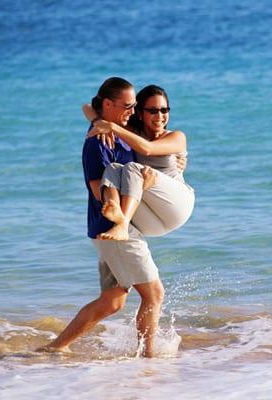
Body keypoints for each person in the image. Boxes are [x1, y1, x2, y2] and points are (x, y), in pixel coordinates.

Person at [39, 77, 165, 357]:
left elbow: (88, 106)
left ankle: (54, 347)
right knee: (154, 294)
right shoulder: (97, 142)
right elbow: (99, 191)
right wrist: (137, 191)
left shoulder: (119, 130)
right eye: (127, 106)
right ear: (107, 104)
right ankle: (149, 358)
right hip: (114, 228)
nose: (133, 111)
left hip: (107, 230)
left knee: (112, 301)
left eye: (135, 106)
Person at [83, 84, 195, 241]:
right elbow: (87, 107)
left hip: (176, 206)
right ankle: (118, 217)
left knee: (132, 168)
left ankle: (122, 226)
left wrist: (111, 127)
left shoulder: (177, 137)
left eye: (164, 110)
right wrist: (97, 121)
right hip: (152, 218)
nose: (160, 116)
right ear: (140, 113)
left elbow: (148, 149)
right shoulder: (134, 134)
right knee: (113, 168)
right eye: (153, 111)